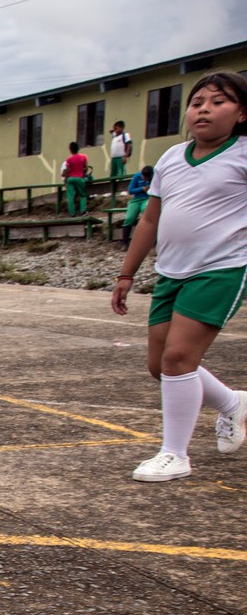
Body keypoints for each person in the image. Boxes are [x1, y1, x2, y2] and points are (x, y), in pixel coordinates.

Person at [111, 70, 247, 482]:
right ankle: (232, 403)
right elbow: (150, 220)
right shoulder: (172, 158)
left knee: (178, 359)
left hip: (221, 269)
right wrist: (126, 273)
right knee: (161, 366)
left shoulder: (243, 153)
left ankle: (175, 454)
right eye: (197, 102)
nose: (204, 109)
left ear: (242, 113)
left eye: (218, 101)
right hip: (171, 272)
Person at [122, 165, 153, 244]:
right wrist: (142, 189)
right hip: (136, 200)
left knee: (146, 211)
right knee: (129, 218)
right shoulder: (137, 176)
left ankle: (149, 239)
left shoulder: (154, 178)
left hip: (147, 198)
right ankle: (125, 242)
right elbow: (130, 190)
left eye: (147, 177)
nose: (145, 178)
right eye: (144, 176)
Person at [60, 141, 91, 215]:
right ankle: (82, 210)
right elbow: (86, 168)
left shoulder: (69, 159)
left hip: (70, 179)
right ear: (78, 148)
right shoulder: (83, 157)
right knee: (83, 195)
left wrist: (66, 180)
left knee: (70, 197)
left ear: (70, 150)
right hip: (79, 178)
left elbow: (67, 170)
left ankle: (72, 213)